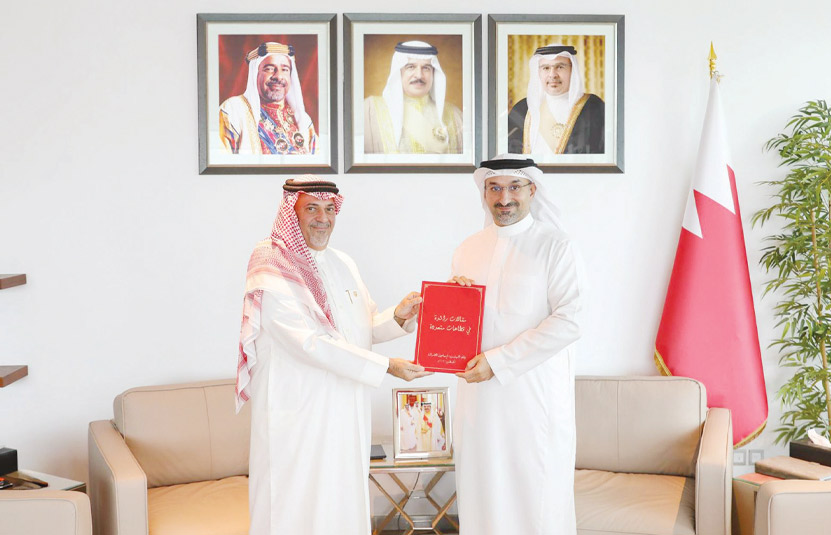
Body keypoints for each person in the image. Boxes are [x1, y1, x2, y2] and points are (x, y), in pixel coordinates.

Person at [235, 176, 431, 535]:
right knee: (296, 506)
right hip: (298, 413)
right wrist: (387, 366)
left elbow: (361, 328)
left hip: (345, 409)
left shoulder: (343, 263)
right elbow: (309, 343)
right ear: (291, 212)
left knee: (341, 501)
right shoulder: (271, 265)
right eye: (311, 208)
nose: (322, 218)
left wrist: (399, 316)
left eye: (329, 209)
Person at [449, 154, 583, 535]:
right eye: (494, 188)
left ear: (532, 189)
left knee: (534, 506)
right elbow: (458, 324)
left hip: (533, 406)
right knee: (482, 500)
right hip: (479, 406)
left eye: (513, 187)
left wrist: (499, 361)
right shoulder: (467, 249)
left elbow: (571, 319)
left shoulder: (556, 246)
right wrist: (451, 302)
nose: (503, 198)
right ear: (484, 193)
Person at [364, 41, 463, 154]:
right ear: (399, 72)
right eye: (410, 67)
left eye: (426, 68)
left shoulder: (455, 115)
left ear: (433, 74)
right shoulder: (369, 110)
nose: (419, 75)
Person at [220, 42, 317, 155]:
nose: (278, 76)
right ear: (255, 73)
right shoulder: (233, 111)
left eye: (285, 69)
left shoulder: (303, 120)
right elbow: (220, 161)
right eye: (269, 69)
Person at [508, 45, 604, 155]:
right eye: (546, 68)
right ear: (538, 72)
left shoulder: (593, 107)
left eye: (560, 67)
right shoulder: (521, 110)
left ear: (572, 70)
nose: (553, 75)